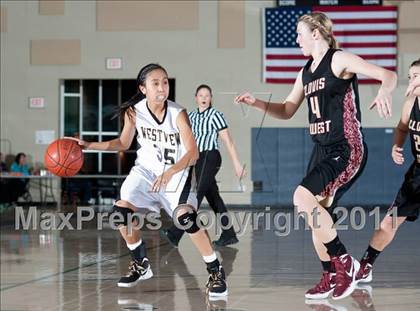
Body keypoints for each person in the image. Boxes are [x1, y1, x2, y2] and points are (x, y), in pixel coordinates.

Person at [235, 12, 397, 300]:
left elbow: (389, 75)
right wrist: (257, 103)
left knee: (301, 198)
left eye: (299, 34)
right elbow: (287, 110)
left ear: (316, 33)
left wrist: (385, 91)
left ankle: (345, 263)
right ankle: (330, 275)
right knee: (315, 215)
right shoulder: (305, 71)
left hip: (346, 147)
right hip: (321, 150)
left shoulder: (339, 59)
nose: (296, 40)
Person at [69, 63, 227, 297]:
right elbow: (123, 143)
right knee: (120, 212)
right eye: (155, 83)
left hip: (177, 175)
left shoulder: (178, 113)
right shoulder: (134, 111)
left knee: (186, 219)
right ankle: (140, 263)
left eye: (165, 82)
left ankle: (215, 271)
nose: (162, 87)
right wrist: (89, 145)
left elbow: (193, 154)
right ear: (143, 88)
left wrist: (169, 173)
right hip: (145, 173)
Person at [356, 59, 420, 284]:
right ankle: (365, 265)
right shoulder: (411, 103)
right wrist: (397, 146)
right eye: (410, 76)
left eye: (417, 76)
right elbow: (402, 128)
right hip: (417, 175)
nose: (412, 80)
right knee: (388, 223)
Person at [162, 84, 246, 247]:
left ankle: (176, 232)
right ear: (196, 98)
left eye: (207, 95)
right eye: (201, 95)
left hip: (210, 156)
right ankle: (229, 234)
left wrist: (237, 163)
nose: (204, 98)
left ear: (210, 98)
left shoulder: (215, 115)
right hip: (197, 159)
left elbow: (228, 140)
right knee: (214, 198)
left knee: (197, 193)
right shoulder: (191, 116)